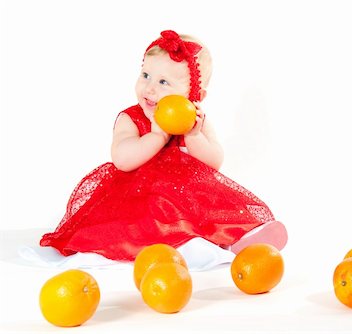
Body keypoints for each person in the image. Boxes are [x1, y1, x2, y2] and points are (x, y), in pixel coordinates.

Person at [40, 30, 288, 262]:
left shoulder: (195, 122)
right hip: (140, 199)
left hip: (188, 199)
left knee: (213, 213)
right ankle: (187, 248)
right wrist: (156, 137)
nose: (149, 88)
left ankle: (240, 239)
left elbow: (214, 162)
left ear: (195, 96)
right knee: (150, 217)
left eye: (164, 83)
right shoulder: (131, 118)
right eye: (145, 75)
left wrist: (193, 136)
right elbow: (122, 159)